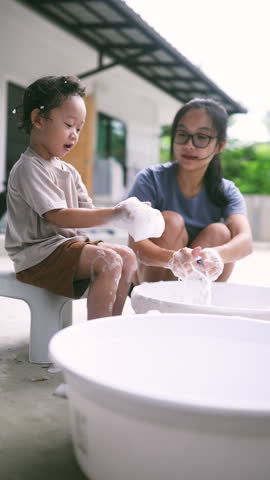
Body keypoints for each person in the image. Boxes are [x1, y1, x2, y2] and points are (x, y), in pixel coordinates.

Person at [5, 75, 141, 320]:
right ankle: (95, 337)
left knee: (128, 257)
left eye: (79, 128)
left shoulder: (69, 171)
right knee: (107, 259)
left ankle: (112, 327)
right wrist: (114, 214)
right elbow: (60, 217)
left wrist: (127, 214)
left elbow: (87, 213)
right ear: (38, 119)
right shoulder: (29, 168)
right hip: (37, 256)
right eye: (69, 125)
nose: (75, 135)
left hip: (65, 249)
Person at [127, 98, 253, 285]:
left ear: (220, 146)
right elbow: (135, 242)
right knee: (170, 221)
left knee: (220, 231)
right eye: (182, 134)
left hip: (197, 280)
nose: (189, 144)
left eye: (202, 137)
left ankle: (194, 304)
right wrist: (173, 259)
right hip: (149, 279)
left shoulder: (227, 191)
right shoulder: (151, 179)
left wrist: (214, 255)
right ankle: (158, 303)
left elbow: (246, 241)